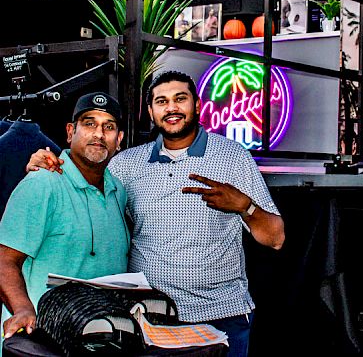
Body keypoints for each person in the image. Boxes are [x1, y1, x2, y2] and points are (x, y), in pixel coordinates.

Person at [27, 71, 285, 357]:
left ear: (196, 105)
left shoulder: (233, 157)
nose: (171, 107)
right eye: (161, 101)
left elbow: (275, 238)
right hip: (148, 318)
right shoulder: (126, 164)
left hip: (220, 314)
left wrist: (244, 206)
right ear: (151, 111)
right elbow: (84, 176)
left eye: (180, 99)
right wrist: (47, 163)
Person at [0, 92, 129, 341]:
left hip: (99, 337)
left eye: (109, 127)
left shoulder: (118, 191)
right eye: (89, 123)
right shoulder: (43, 183)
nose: (99, 134)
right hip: (44, 337)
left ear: (119, 139)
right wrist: (23, 309)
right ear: (70, 132)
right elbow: (4, 260)